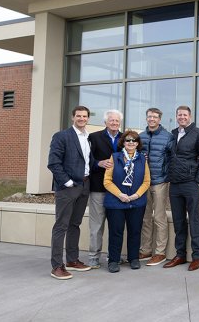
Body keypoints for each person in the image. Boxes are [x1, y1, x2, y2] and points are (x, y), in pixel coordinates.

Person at [47, 105, 94, 280]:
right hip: (68, 187)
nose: (82, 118)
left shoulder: (88, 138)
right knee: (61, 226)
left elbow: (88, 162)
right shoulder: (62, 136)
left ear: (88, 118)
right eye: (78, 116)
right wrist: (67, 182)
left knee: (75, 224)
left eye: (84, 116)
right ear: (73, 117)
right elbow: (53, 163)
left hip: (84, 186)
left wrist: (101, 163)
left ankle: (73, 260)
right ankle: (57, 266)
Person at [164, 105, 199, 271]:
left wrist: (198, 181)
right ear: (176, 116)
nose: (182, 117)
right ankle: (180, 255)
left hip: (191, 183)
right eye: (179, 115)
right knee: (178, 221)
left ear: (189, 116)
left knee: (194, 219)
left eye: (184, 115)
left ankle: (197, 256)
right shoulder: (173, 134)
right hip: (175, 184)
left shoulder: (198, 133)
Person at [103, 131, 151, 273]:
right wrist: (120, 195)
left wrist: (136, 195)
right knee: (116, 232)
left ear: (137, 143)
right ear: (123, 142)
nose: (131, 143)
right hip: (116, 202)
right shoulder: (114, 157)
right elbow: (107, 180)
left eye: (134, 140)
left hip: (136, 202)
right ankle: (113, 260)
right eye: (128, 140)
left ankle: (133, 258)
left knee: (135, 231)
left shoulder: (142, 159)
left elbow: (147, 181)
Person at [87, 109, 123, 269]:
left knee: (116, 226)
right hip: (98, 187)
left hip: (119, 189)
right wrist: (98, 163)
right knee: (97, 225)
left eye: (117, 121)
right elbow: (86, 158)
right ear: (105, 122)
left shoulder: (126, 138)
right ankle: (94, 257)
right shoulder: (94, 137)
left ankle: (113, 256)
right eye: (111, 120)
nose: (114, 123)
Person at [139, 107, 174, 266]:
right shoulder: (140, 137)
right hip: (143, 183)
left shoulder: (168, 137)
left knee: (159, 217)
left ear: (159, 119)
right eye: (149, 117)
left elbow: (173, 159)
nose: (151, 119)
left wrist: (168, 175)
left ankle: (159, 253)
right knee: (145, 218)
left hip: (160, 182)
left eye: (155, 117)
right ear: (146, 118)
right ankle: (145, 250)